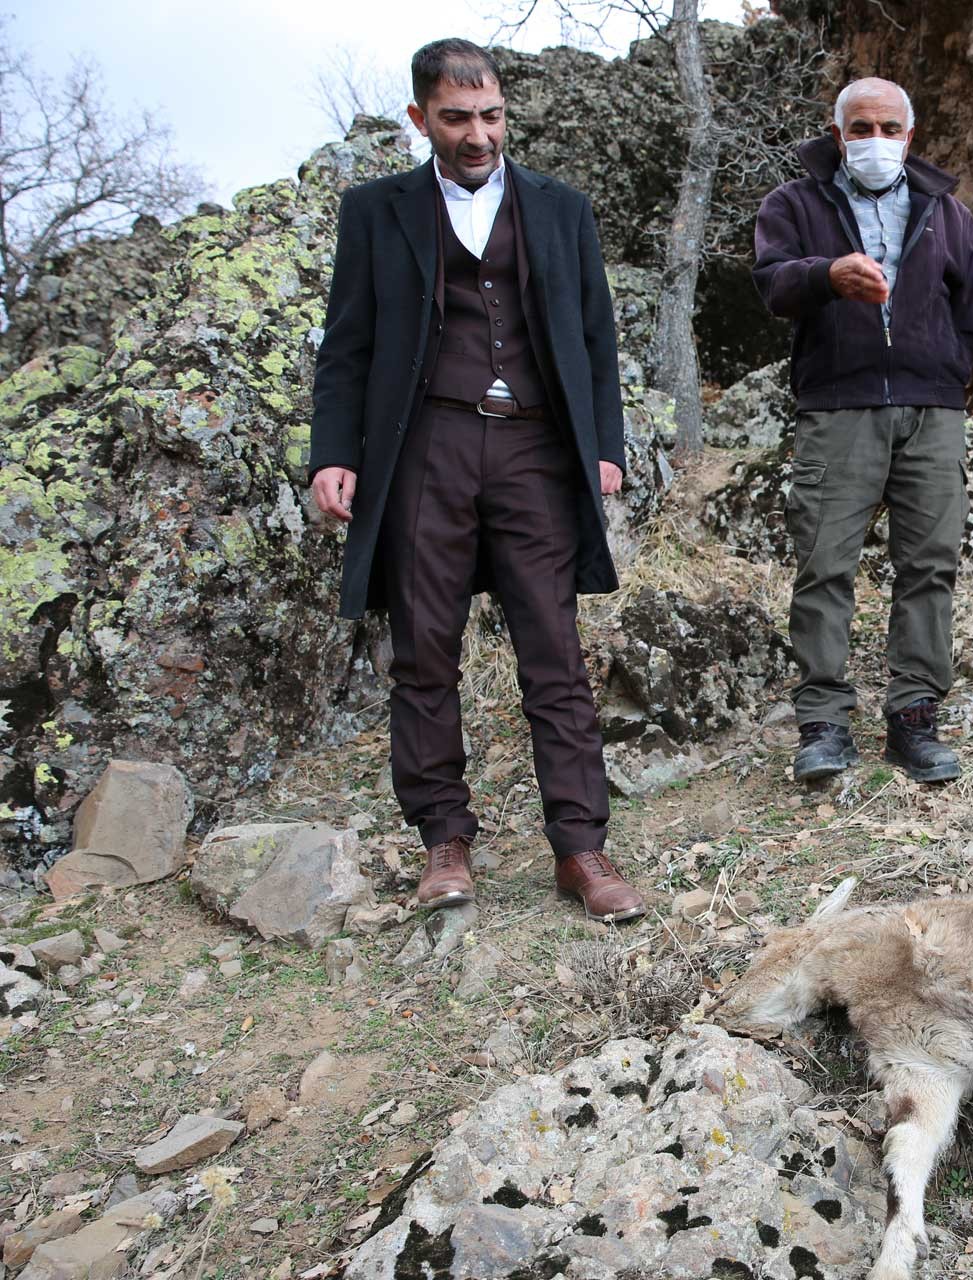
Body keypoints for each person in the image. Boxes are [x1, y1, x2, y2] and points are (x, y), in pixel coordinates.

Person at [308, 38, 647, 922]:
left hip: (536, 450)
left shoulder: (560, 208)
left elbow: (596, 338)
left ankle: (581, 847)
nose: (477, 134)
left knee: (555, 652)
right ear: (420, 119)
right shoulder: (375, 212)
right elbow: (346, 346)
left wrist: (603, 443)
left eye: (490, 115)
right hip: (428, 447)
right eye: (456, 118)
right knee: (424, 652)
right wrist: (333, 453)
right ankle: (443, 844)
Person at [751, 77, 973, 784]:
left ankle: (914, 719)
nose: (875, 142)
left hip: (932, 412)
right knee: (825, 566)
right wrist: (827, 274)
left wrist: (944, 376)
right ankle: (822, 723)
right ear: (837, 135)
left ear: (910, 136)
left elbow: (972, 311)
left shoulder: (947, 212)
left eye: (890, 128)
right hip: (838, 410)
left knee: (929, 565)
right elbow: (771, 283)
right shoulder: (792, 204)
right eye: (861, 128)